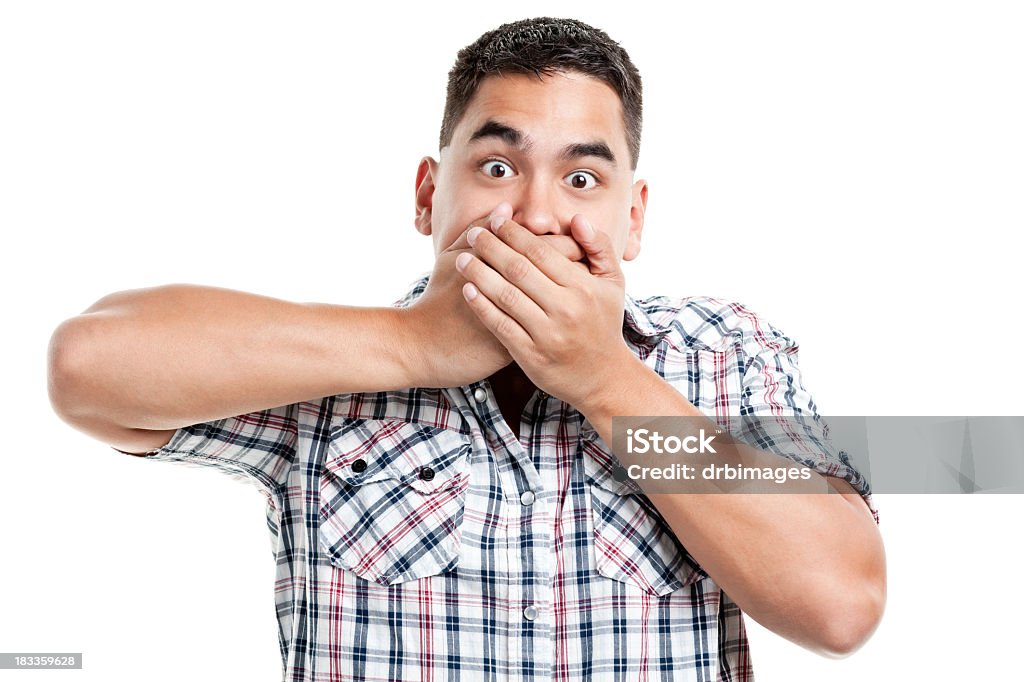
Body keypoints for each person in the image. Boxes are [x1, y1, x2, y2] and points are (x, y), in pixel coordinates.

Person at [47, 16, 885, 681]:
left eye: (583, 178)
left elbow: (842, 605)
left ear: (632, 217)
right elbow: (87, 367)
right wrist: (413, 345)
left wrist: (603, 377)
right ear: (427, 195)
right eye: (495, 167)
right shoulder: (323, 374)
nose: (535, 214)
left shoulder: (727, 353)